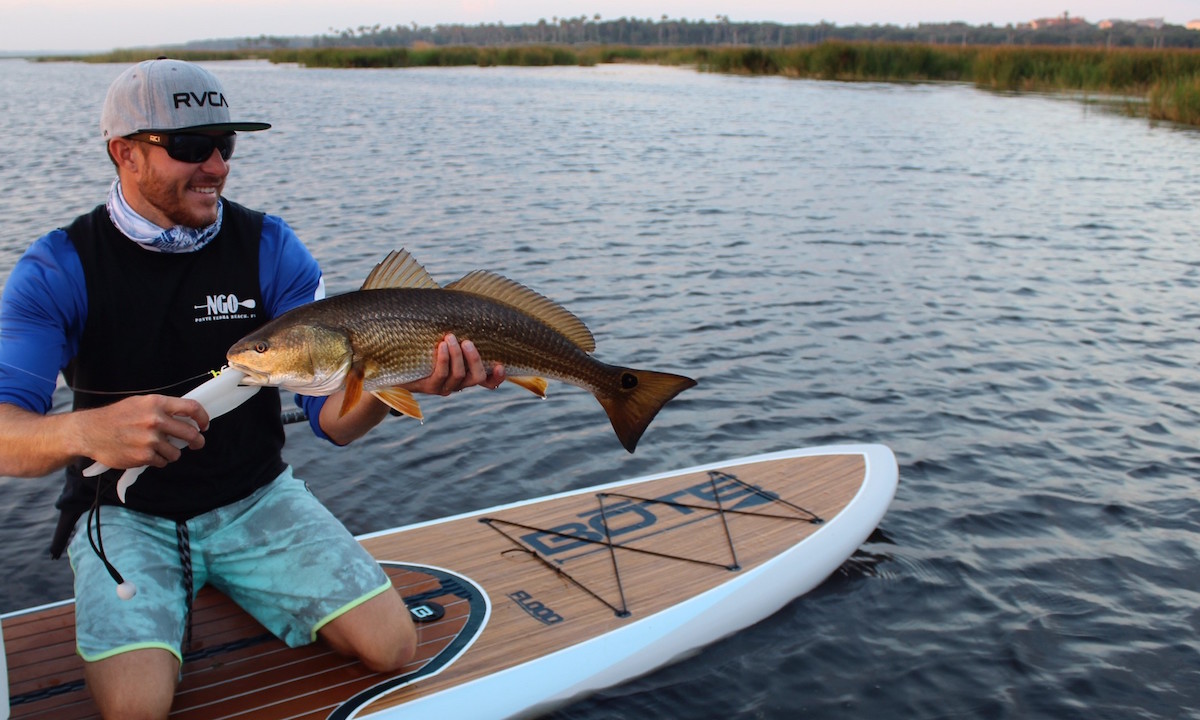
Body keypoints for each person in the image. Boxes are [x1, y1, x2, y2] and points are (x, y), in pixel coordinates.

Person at [0, 58, 504, 720]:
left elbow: (328, 420)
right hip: (123, 514)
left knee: (392, 645)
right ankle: (183, 597)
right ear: (123, 152)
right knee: (136, 708)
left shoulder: (270, 245)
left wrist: (391, 382)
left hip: (255, 498)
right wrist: (82, 431)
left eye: (225, 144)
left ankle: (220, 581)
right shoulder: (59, 266)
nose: (216, 165)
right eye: (188, 147)